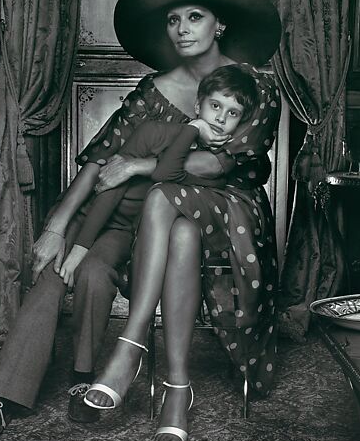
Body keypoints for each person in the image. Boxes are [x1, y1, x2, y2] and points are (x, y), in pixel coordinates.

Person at [0, 0, 281, 441]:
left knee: (177, 224)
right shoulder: (152, 91)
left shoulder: (253, 88)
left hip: (219, 210)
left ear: (219, 25)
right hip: (134, 212)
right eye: (174, 19)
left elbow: (225, 164)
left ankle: (123, 363)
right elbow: (99, 161)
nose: (182, 28)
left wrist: (137, 166)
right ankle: (7, 393)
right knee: (66, 266)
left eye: (195, 17)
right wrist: (57, 224)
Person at [59, 64, 259, 289]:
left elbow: (167, 172)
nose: (221, 118)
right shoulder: (154, 131)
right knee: (55, 274)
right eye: (215, 106)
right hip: (94, 211)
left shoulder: (221, 165)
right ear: (197, 105)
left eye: (232, 113)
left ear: (240, 122)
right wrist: (80, 248)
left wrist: (193, 127)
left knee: (93, 273)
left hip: (130, 233)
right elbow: (110, 186)